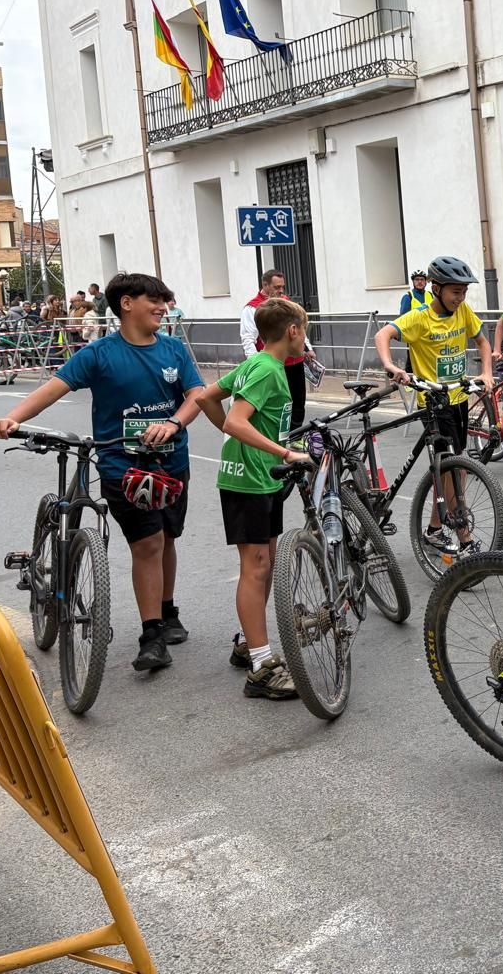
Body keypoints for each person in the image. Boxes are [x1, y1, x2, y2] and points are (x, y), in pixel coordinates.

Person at [0, 273, 208, 671]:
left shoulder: (173, 350)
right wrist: (11, 419)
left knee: (168, 536)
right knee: (149, 542)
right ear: (127, 304)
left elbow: (195, 395)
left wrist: (173, 423)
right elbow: (51, 390)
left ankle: (168, 610)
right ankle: (151, 634)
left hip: (172, 461)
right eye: (154, 300)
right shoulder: (99, 353)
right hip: (123, 465)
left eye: (164, 301)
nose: (162, 307)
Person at [198, 297, 312, 700]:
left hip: (262, 476)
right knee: (256, 565)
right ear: (292, 331)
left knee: (266, 560)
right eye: (305, 329)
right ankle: (261, 667)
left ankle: (251, 642)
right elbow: (235, 419)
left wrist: (241, 441)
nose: (306, 338)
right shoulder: (267, 370)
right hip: (249, 479)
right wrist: (280, 451)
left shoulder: (257, 363)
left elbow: (205, 398)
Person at [373, 254, 495, 556]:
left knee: (454, 469)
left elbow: (482, 341)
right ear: (436, 288)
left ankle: (433, 529)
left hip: (459, 398)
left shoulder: (463, 311)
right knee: (453, 469)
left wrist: (487, 373)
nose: (461, 297)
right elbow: (383, 334)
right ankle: (463, 536)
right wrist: (391, 366)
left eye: (464, 291)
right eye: (456, 291)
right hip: (434, 402)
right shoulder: (420, 317)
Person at [240, 269, 311, 429]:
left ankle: (296, 433)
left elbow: (299, 327)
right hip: (275, 363)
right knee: (279, 401)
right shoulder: (252, 308)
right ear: (265, 285)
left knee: (298, 399)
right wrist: (255, 363)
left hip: (295, 361)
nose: (281, 291)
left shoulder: (286, 302)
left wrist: (308, 348)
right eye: (277, 287)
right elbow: (248, 339)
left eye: (282, 287)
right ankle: (279, 434)